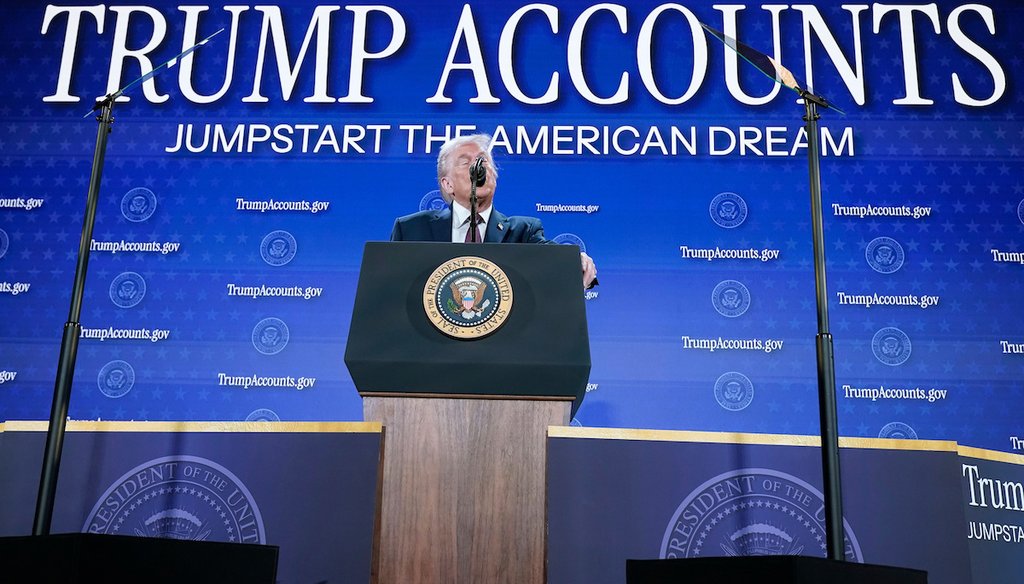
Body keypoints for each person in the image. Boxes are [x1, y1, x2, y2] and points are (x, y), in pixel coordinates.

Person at [391, 133, 598, 288]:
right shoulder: (411, 230)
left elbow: (556, 261)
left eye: (484, 161)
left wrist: (574, 261)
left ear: (494, 178)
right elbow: (389, 291)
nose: (478, 167)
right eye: (466, 162)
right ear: (447, 185)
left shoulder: (523, 232)